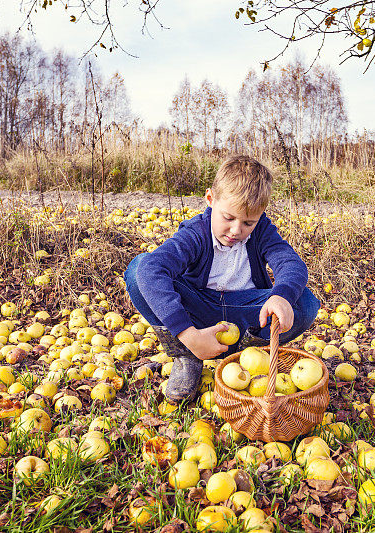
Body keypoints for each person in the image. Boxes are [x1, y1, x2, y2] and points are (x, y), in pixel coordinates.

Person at [124, 155, 320, 403]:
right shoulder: (196, 233)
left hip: (246, 311)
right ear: (210, 200)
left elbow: (290, 262)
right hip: (198, 311)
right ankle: (188, 355)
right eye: (228, 218)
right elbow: (152, 269)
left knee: (304, 302)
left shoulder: (262, 231)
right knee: (139, 268)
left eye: (248, 222)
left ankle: (248, 360)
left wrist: (281, 296)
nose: (237, 230)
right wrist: (188, 334)